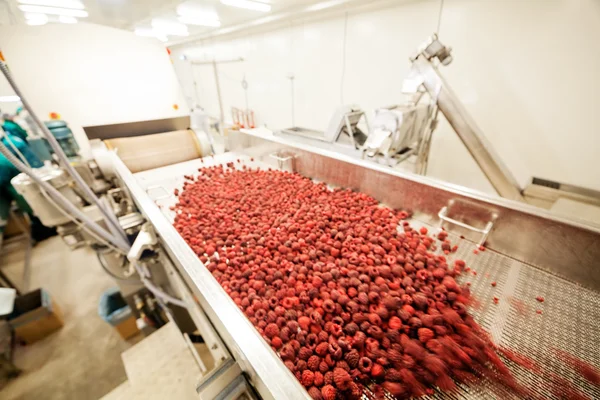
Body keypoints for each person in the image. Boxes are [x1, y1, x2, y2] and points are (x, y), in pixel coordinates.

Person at [0, 132, 55, 241]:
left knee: (35, 211)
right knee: (38, 208)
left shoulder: (4, 152)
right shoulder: (11, 138)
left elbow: (2, 179)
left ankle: (43, 232)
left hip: (21, 188)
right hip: (28, 178)